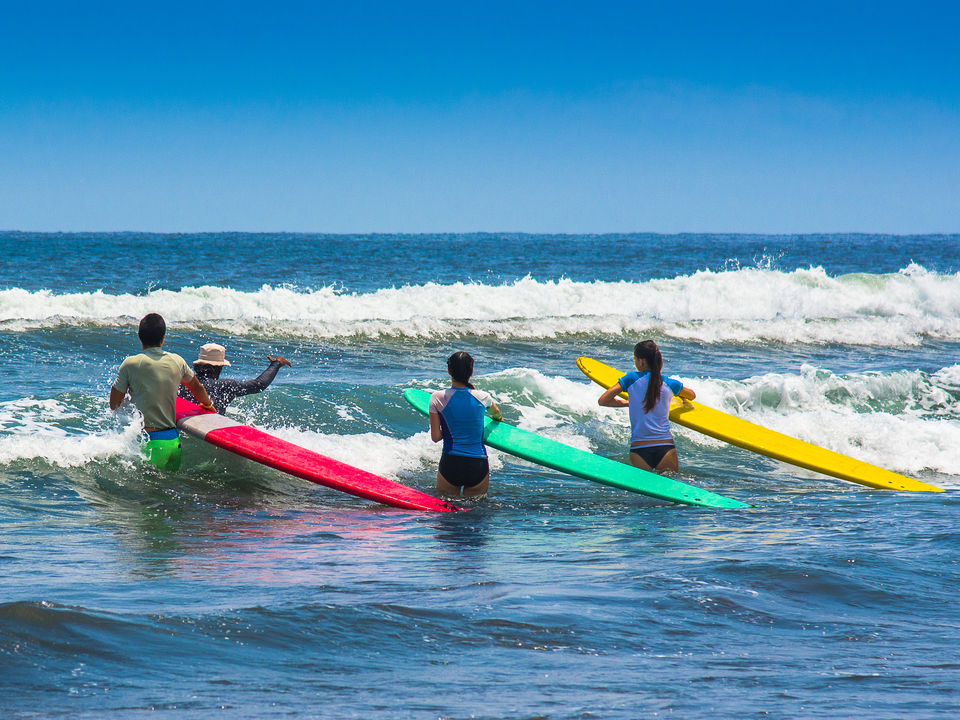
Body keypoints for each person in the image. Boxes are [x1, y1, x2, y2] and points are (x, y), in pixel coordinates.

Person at [110, 313, 215, 471]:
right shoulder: (177, 361)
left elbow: (114, 404)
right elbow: (197, 387)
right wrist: (208, 405)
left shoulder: (131, 363)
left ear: (139, 337)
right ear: (163, 338)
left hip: (150, 443)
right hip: (173, 442)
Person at [597, 339, 696, 473]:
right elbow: (692, 395)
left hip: (639, 450)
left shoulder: (631, 378)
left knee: (642, 491)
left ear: (641, 361)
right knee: (669, 489)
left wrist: (628, 404)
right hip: (665, 446)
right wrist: (681, 397)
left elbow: (603, 400)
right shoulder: (670, 383)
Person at [428, 351, 502, 497]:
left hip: (451, 463)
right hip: (478, 464)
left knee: (446, 511)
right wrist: (498, 419)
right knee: (475, 514)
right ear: (471, 371)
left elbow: (436, 437)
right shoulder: (483, 397)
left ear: (449, 371)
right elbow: (496, 414)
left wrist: (451, 430)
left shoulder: (437, 398)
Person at [178, 342, 291, 414]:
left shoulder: (182, 382)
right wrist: (276, 364)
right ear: (218, 367)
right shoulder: (225, 386)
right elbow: (259, 385)